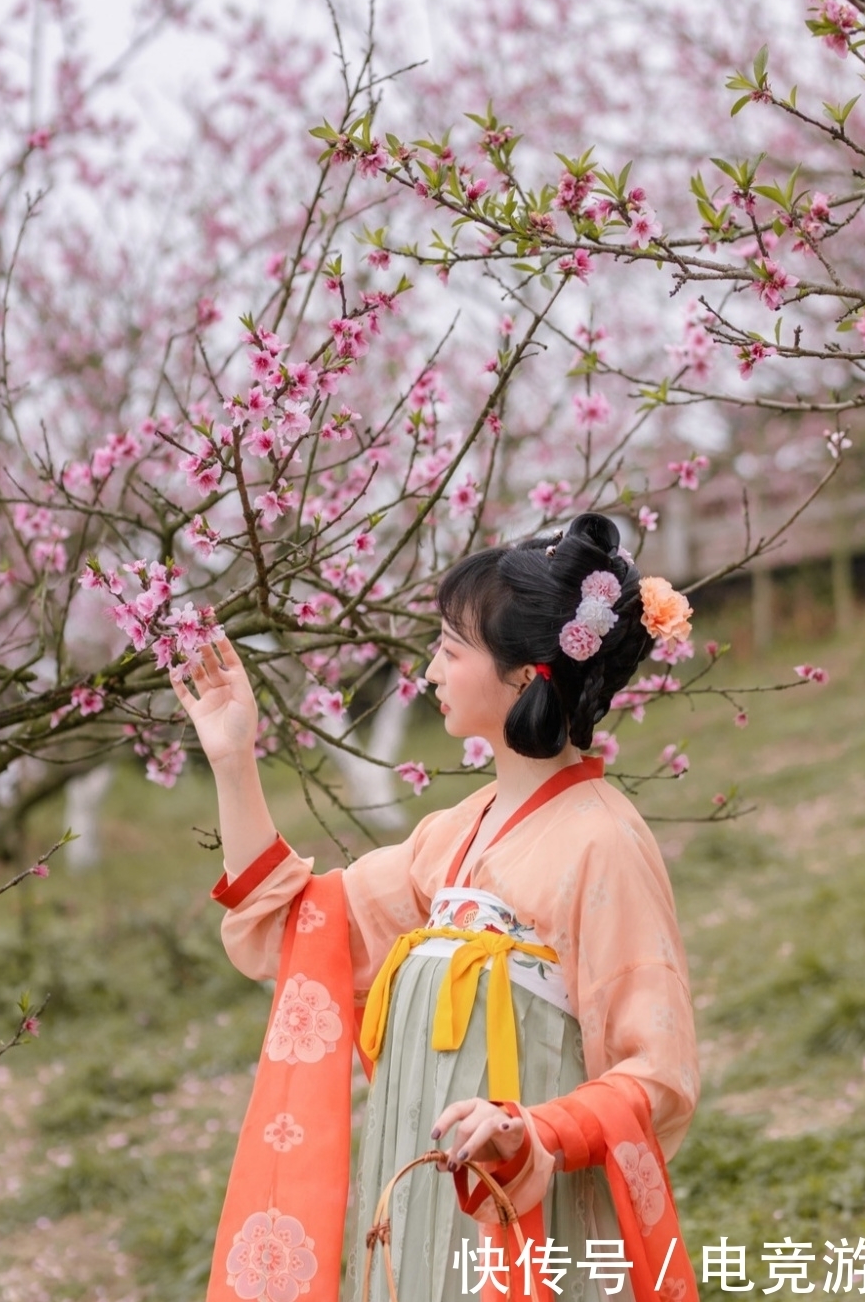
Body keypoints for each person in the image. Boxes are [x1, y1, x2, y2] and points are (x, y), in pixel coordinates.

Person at [171, 513, 700, 1302]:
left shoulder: (604, 843)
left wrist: (532, 1129)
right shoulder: (450, 838)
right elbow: (301, 929)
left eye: (452, 650)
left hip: (533, 1221)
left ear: (525, 676)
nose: (429, 670)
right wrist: (232, 757)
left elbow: (656, 1073)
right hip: (418, 1212)